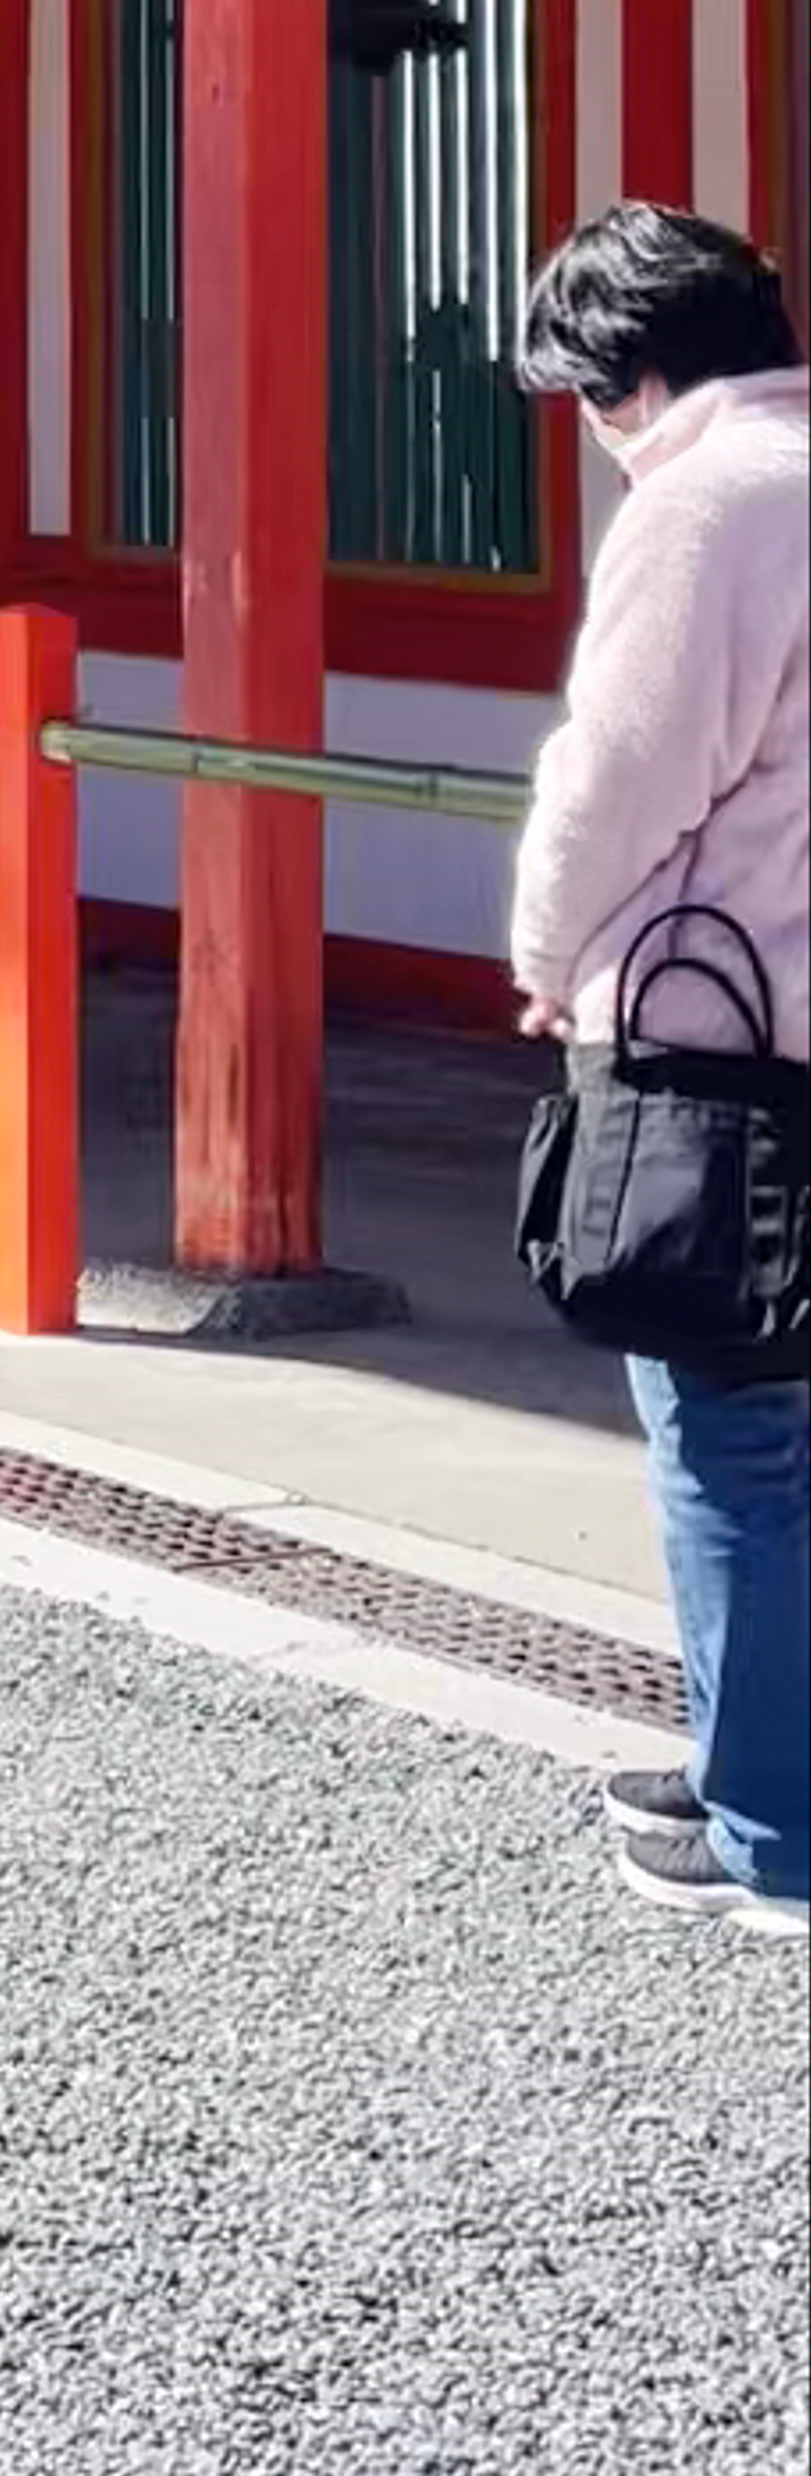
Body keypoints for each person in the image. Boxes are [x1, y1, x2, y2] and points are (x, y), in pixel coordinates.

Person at [511, 200, 809, 1932]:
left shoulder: (706, 506)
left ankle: (768, 1823)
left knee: (725, 1429)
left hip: (729, 1034)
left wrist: (550, 958)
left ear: (637, 373)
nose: (594, 432)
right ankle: (746, 1753)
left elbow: (617, 778)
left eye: (588, 395)